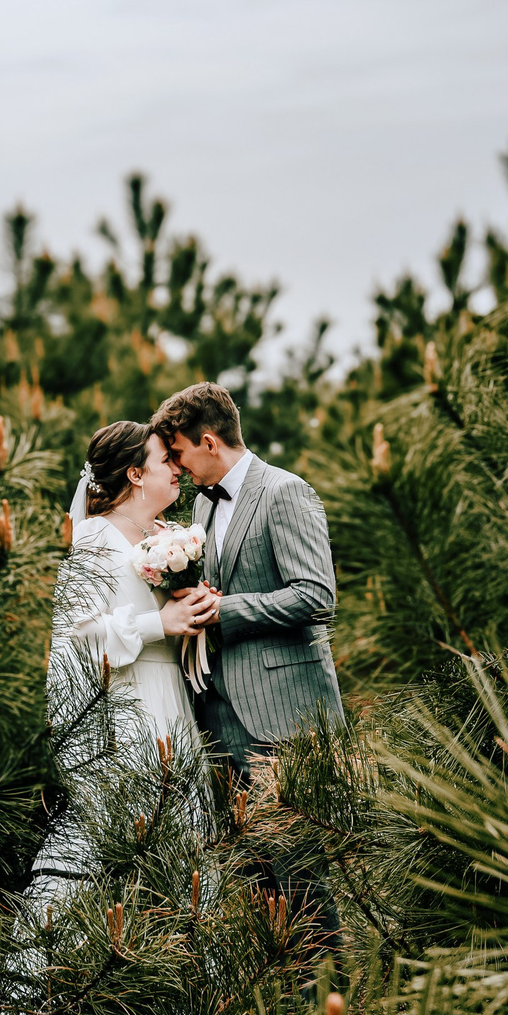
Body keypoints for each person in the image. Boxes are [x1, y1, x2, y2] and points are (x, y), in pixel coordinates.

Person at [152, 380, 344, 948]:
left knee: (301, 875)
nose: (178, 468)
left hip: (281, 716)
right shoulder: (202, 509)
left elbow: (317, 595)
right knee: (253, 875)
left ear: (208, 442)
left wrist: (225, 610)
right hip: (218, 716)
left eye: (180, 453)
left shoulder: (286, 493)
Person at [33, 418, 211, 891]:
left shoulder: (166, 535)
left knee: (183, 851)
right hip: (127, 711)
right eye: (165, 460)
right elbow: (78, 634)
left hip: (174, 702)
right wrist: (160, 624)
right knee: (125, 842)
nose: (177, 469)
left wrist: (197, 606)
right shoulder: (94, 538)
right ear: (135, 474)